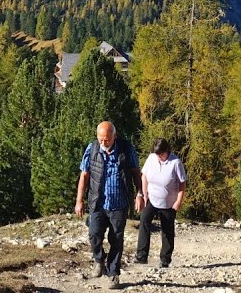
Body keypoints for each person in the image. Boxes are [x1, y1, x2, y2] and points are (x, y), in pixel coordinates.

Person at [74, 121, 141, 290]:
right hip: (98, 202)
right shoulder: (92, 149)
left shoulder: (126, 149)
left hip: (119, 203)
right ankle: (99, 260)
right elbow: (84, 176)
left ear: (114, 137)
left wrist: (140, 194)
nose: (104, 143)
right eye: (101, 139)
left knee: (116, 239)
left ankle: (113, 274)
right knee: (94, 234)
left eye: (107, 140)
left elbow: (136, 173)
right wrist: (79, 200)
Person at [135, 138, 186, 268]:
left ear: (167, 151)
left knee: (167, 230)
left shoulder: (175, 162)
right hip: (151, 198)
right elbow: (144, 176)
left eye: (161, 154)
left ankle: (165, 258)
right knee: (144, 221)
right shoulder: (152, 158)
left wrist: (179, 201)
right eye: (157, 154)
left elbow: (182, 183)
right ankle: (141, 255)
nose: (159, 157)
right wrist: (143, 194)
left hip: (169, 202)